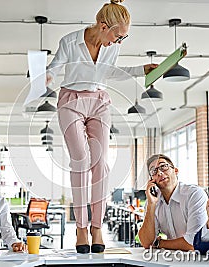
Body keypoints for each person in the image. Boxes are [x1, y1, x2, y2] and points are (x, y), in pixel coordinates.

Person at [46, 0, 157, 253]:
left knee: (101, 164)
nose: (118, 42)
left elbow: (109, 72)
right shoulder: (70, 41)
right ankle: (81, 228)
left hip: (99, 102)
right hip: (71, 101)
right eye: (118, 36)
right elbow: (54, 67)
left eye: (123, 38)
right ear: (103, 26)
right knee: (81, 160)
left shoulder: (111, 47)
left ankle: (97, 227)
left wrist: (142, 69)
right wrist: (47, 76)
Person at [138, 154, 208, 251]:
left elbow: (194, 243)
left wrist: (159, 243)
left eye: (163, 166)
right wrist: (151, 205)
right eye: (154, 171)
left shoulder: (194, 194)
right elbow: (146, 242)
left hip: (205, 260)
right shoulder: (153, 201)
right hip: (173, 258)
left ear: (175, 171)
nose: (159, 173)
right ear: (152, 180)